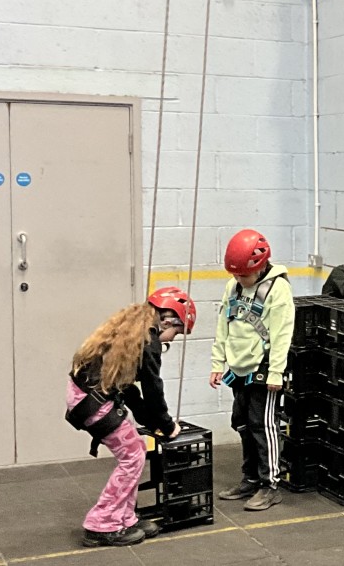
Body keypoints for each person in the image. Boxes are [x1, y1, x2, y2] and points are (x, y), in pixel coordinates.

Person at [65, 286, 197, 547]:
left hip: (86, 396)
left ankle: (125, 518)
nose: (172, 339)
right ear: (168, 319)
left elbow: (128, 389)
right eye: (177, 331)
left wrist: (151, 421)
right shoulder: (149, 341)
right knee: (133, 455)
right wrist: (167, 425)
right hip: (92, 401)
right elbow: (152, 388)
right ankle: (101, 523)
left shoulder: (133, 331)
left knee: (134, 450)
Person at [209, 229, 294, 512]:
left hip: (264, 368)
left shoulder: (277, 289)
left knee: (263, 425)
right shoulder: (232, 286)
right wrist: (217, 363)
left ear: (259, 267)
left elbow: (282, 334)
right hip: (238, 367)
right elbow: (224, 326)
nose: (238, 280)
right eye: (234, 274)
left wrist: (276, 373)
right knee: (242, 422)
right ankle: (250, 478)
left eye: (243, 275)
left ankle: (270, 485)